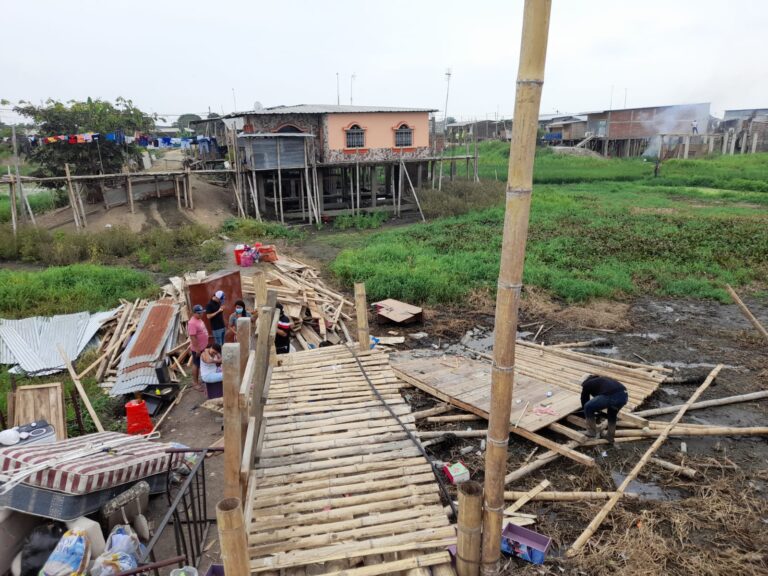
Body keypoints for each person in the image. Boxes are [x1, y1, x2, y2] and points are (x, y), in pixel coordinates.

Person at [580, 374, 628, 443]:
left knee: (588, 407)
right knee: (611, 415)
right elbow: (600, 399)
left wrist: (584, 412)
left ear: (584, 381)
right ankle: (610, 436)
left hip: (612, 395)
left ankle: (591, 432)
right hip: (624, 396)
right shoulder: (601, 380)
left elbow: (584, 399)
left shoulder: (587, 384)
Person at [187, 304, 209, 391]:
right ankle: (195, 383)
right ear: (194, 313)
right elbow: (193, 337)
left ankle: (202, 379)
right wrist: (197, 349)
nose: (201, 314)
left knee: (202, 364)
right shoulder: (192, 323)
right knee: (196, 365)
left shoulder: (198, 319)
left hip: (203, 347)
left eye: (202, 313)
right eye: (199, 313)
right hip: (198, 349)